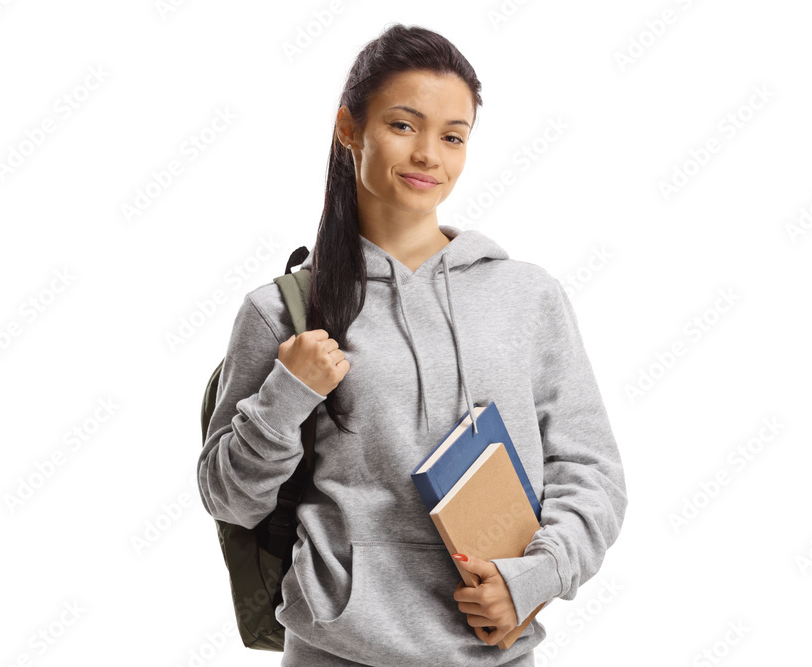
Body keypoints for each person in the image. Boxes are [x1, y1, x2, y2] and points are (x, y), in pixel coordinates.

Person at [197, 23, 627, 667]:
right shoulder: (282, 310)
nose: (430, 153)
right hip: (334, 649)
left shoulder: (526, 296)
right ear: (350, 129)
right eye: (404, 125)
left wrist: (536, 577)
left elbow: (590, 471)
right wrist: (287, 396)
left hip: (493, 650)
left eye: (453, 136)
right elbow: (228, 498)